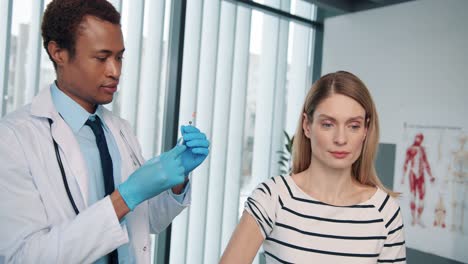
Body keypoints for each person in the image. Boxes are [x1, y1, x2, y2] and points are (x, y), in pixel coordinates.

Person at [0, 1, 210, 263]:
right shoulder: (13, 140)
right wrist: (124, 197)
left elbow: (148, 222)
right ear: (58, 53)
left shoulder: (120, 130)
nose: (115, 71)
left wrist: (177, 178)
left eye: (119, 57)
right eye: (102, 58)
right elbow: (23, 257)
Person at [221, 71, 406, 263]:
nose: (341, 139)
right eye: (328, 124)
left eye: (353, 126)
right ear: (307, 125)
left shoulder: (385, 212)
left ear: (366, 130)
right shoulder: (273, 198)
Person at [401, 133, 434, 227]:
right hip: (412, 175)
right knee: (412, 196)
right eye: (417, 138)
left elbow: (426, 162)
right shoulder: (410, 149)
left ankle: (419, 218)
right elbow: (406, 163)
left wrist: (431, 176)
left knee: (422, 197)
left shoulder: (422, 150)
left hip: (421, 175)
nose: (418, 140)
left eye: (420, 139)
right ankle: (413, 218)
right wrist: (403, 177)